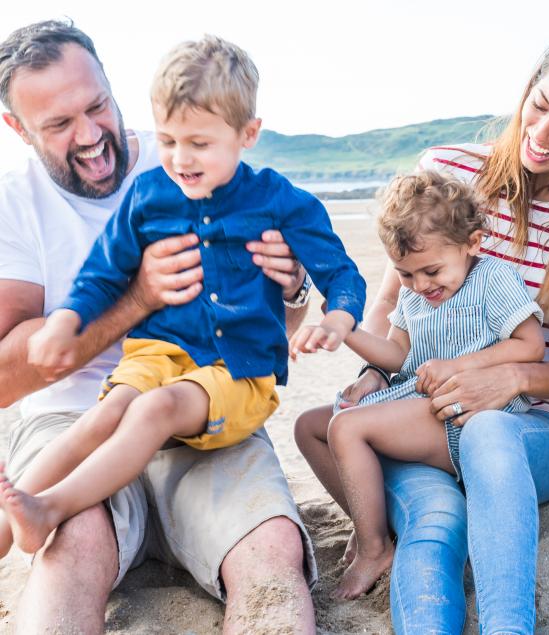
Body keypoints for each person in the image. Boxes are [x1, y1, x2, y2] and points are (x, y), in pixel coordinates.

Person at [292, 29, 549, 633]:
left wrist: (505, 378)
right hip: (425, 413)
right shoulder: (449, 171)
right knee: (433, 522)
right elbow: (394, 300)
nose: (541, 133)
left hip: (532, 430)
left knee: (488, 433)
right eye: (538, 105)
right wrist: (374, 370)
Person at [0, 20, 320, 633]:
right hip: (76, 413)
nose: (92, 136)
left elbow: (283, 320)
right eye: (60, 124)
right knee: (71, 550)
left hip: (205, 397)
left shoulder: (191, 151)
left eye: (98, 106)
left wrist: (295, 285)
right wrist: (137, 297)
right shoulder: (15, 206)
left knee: (271, 550)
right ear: (18, 129)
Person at [292, 170, 544, 600]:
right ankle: (370, 521)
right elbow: (398, 357)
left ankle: (374, 548)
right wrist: (346, 329)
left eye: (431, 271)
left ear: (472, 244)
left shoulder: (492, 279)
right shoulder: (413, 295)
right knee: (309, 426)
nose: (420, 285)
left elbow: (530, 345)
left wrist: (459, 365)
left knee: (348, 429)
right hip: (417, 406)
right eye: (406, 275)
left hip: (467, 415)